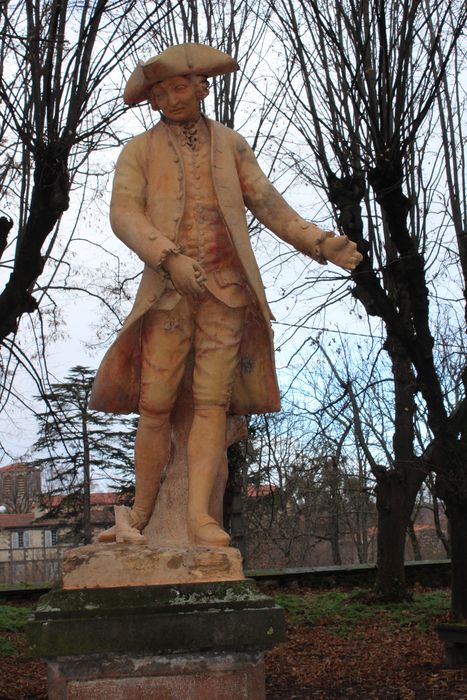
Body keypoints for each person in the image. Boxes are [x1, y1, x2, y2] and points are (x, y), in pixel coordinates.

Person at [90, 43, 362, 547]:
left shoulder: (232, 145)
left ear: (200, 86)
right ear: (151, 101)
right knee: (155, 405)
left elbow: (267, 203)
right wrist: (168, 257)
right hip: (167, 297)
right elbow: (123, 214)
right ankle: (142, 516)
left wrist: (319, 242)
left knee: (213, 404)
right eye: (160, 91)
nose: (171, 98)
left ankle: (200, 518)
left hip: (228, 293)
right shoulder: (139, 152)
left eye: (179, 86)